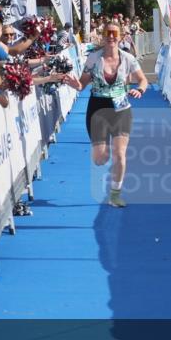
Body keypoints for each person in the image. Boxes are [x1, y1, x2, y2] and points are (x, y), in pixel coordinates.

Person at [64, 21, 148, 208]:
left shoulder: (128, 58)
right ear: (103, 36)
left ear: (121, 37)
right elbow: (81, 84)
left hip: (121, 109)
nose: (111, 36)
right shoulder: (94, 58)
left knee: (120, 155)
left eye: (114, 33)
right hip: (98, 108)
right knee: (100, 159)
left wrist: (140, 90)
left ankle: (115, 195)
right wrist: (73, 83)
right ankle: (103, 150)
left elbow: (143, 80)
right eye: (107, 33)